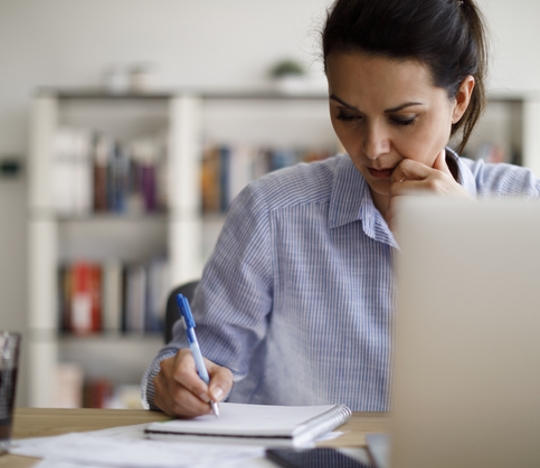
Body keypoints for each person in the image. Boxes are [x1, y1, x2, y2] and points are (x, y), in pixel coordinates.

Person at [141, 0, 540, 418]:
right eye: (347, 115)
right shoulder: (271, 212)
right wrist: (171, 382)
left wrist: (475, 245)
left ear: (459, 99)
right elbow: (189, 361)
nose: (372, 148)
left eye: (403, 119)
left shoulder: (524, 205)